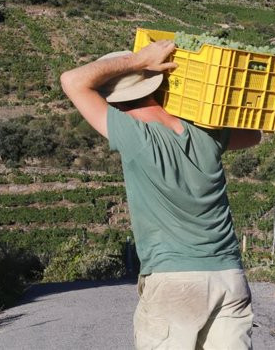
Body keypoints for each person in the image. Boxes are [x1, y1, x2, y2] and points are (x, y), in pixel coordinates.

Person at [60, 40, 261, 350]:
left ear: (114, 101)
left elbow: (71, 81)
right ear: (153, 88)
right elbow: (254, 134)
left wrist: (138, 59)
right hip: (228, 277)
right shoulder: (206, 133)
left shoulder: (133, 135)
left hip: (174, 281)